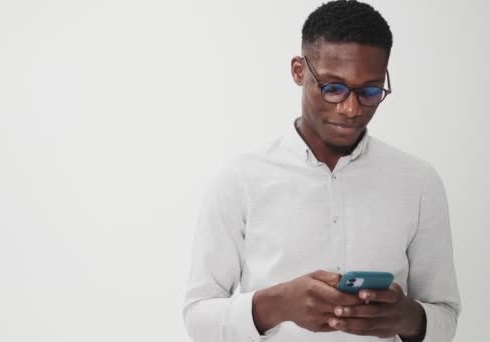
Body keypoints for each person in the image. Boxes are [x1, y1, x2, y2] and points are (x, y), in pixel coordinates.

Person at [182, 1, 461, 342]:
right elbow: (198, 317)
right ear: (299, 71)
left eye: (370, 91)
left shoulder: (419, 182)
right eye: (333, 88)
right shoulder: (239, 178)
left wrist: (408, 318)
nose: (350, 108)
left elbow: (445, 316)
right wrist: (276, 305)